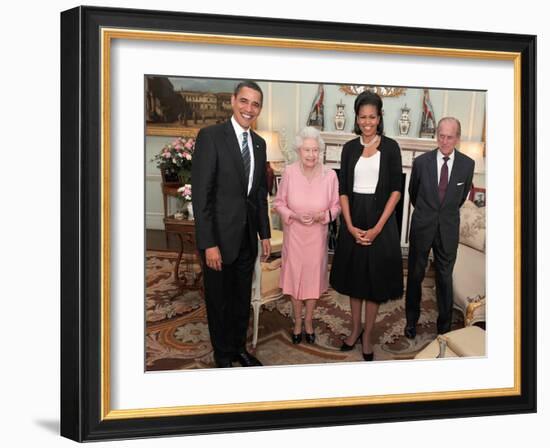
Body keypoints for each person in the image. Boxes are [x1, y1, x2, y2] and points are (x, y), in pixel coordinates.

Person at [192, 81, 271, 368]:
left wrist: (264, 234)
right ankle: (223, 354)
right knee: (219, 301)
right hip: (219, 240)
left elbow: (259, 194)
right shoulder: (211, 137)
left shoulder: (259, 144)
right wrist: (208, 243)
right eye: (245, 101)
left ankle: (238, 347)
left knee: (240, 300)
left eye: (255, 104)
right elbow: (201, 196)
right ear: (233, 101)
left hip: (248, 238)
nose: (249, 109)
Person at [329, 91, 404, 361]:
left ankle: (368, 334)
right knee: (354, 280)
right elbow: (344, 189)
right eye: (362, 117)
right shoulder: (349, 148)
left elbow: (396, 191)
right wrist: (348, 225)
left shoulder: (392, 147)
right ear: (356, 118)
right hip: (354, 219)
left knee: (373, 283)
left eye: (372, 117)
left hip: (380, 221)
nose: (367, 122)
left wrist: (377, 228)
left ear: (380, 117)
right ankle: (355, 329)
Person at [405, 117, 474, 338]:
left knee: (445, 278)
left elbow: (461, 198)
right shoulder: (421, 162)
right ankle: (411, 321)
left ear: (458, 139)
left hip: (448, 229)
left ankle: (444, 327)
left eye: (449, 137)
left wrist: (442, 214)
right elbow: (413, 193)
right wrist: (428, 213)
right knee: (415, 275)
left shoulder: (467, 165)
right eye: (441, 136)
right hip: (422, 226)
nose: (444, 141)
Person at [274, 127, 340, 344]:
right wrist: (292, 215)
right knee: (294, 279)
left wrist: (325, 216)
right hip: (294, 236)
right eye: (306, 150)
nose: (311, 155)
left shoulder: (330, 176)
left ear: (320, 151)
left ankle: (309, 321)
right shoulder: (290, 172)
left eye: (315, 150)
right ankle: (297, 323)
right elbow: (279, 203)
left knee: (312, 281)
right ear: (298, 151)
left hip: (316, 238)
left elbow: (336, 207)